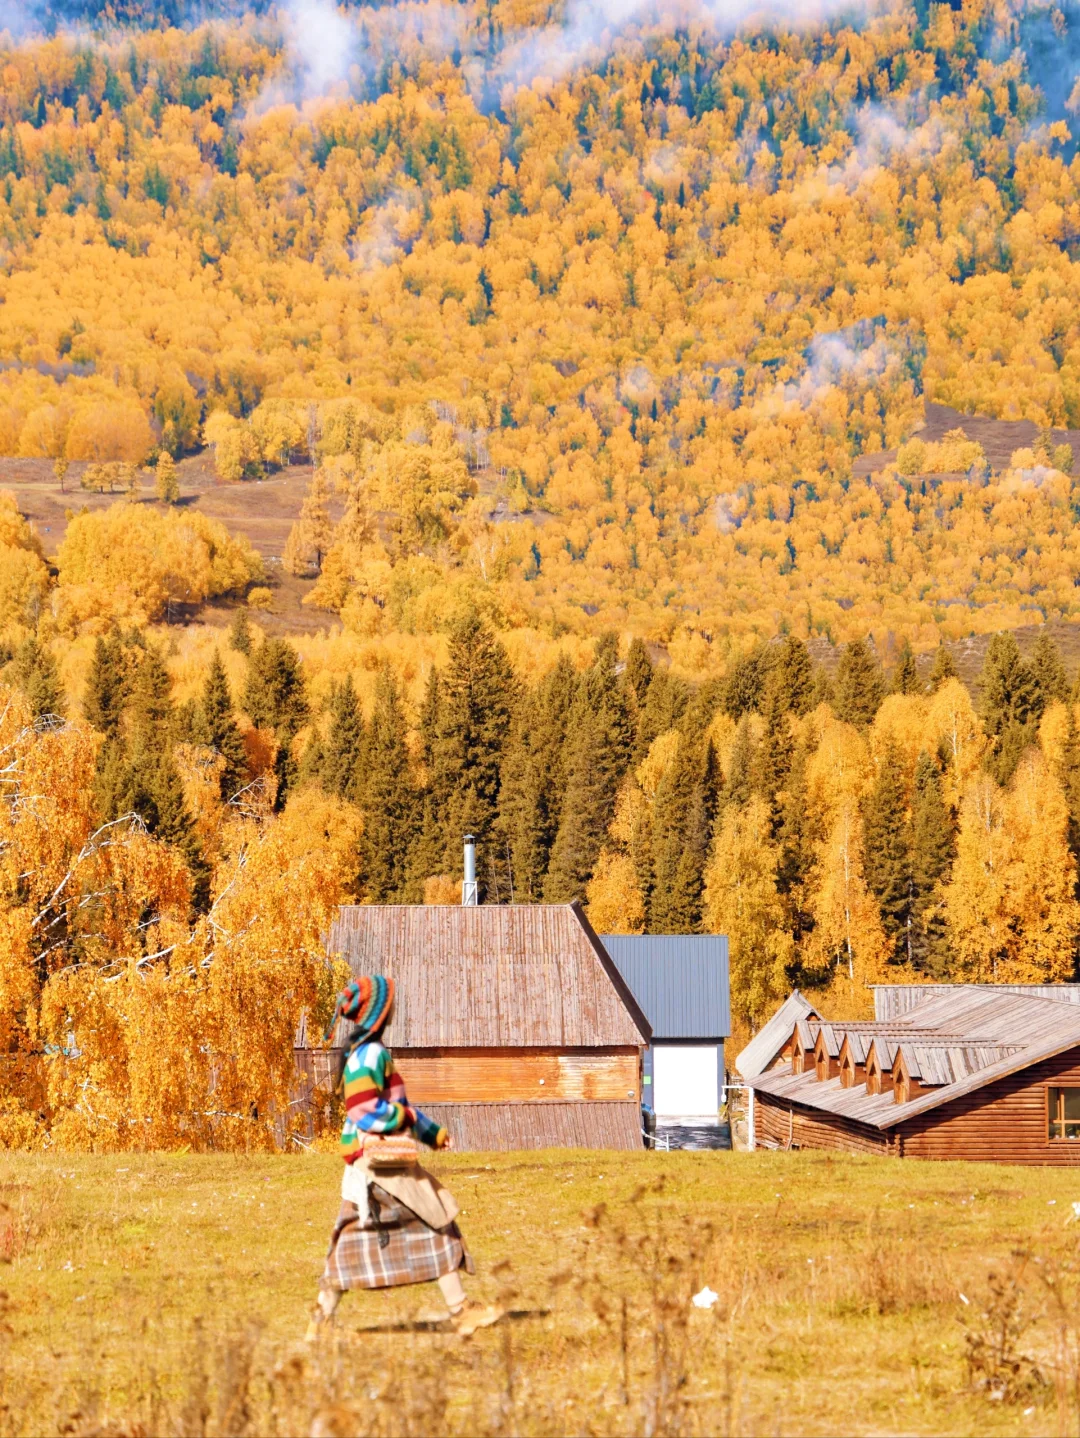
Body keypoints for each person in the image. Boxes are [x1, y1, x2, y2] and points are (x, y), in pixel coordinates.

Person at [307, 974, 501, 1339]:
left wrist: (432, 1134)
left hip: (367, 1166)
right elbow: (366, 1108)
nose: (395, 1007)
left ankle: (320, 1325)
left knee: (350, 1241)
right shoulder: (372, 1054)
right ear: (380, 1012)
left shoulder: (362, 1052)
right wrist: (409, 1120)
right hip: (379, 1167)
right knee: (438, 1222)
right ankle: (461, 1312)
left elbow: (398, 1107)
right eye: (391, 1002)